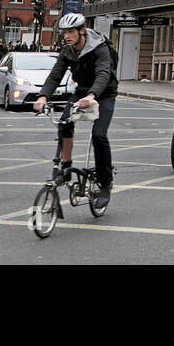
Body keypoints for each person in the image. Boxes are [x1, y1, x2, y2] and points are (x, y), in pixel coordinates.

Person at [33, 13, 119, 211]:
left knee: (99, 135)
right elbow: (55, 75)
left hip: (104, 93)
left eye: (71, 32)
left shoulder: (100, 48)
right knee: (64, 124)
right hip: (81, 92)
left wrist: (92, 96)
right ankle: (66, 165)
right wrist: (43, 96)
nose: (67, 36)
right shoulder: (67, 51)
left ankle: (105, 184)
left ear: (82, 31)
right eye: (65, 32)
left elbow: (104, 73)